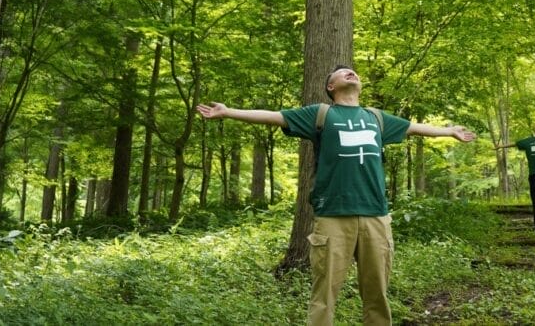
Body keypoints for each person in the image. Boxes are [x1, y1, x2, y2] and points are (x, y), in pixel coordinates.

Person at [197, 65, 476, 326]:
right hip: (332, 217)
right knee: (324, 296)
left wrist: (450, 131)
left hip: (376, 216)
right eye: (343, 73)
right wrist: (229, 111)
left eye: (353, 71)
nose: (350, 72)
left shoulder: (376, 117)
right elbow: (274, 116)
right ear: (331, 87)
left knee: (377, 294)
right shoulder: (321, 114)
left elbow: (415, 128)